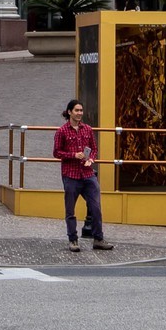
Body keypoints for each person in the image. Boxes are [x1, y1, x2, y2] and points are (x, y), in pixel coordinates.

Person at [52, 99, 111, 251]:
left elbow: (94, 149)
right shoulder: (62, 131)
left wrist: (91, 159)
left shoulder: (88, 129)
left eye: (81, 110)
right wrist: (73, 155)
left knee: (96, 207)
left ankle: (98, 239)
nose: (79, 113)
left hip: (88, 174)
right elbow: (56, 152)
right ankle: (73, 240)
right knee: (70, 210)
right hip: (70, 175)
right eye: (77, 110)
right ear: (69, 112)